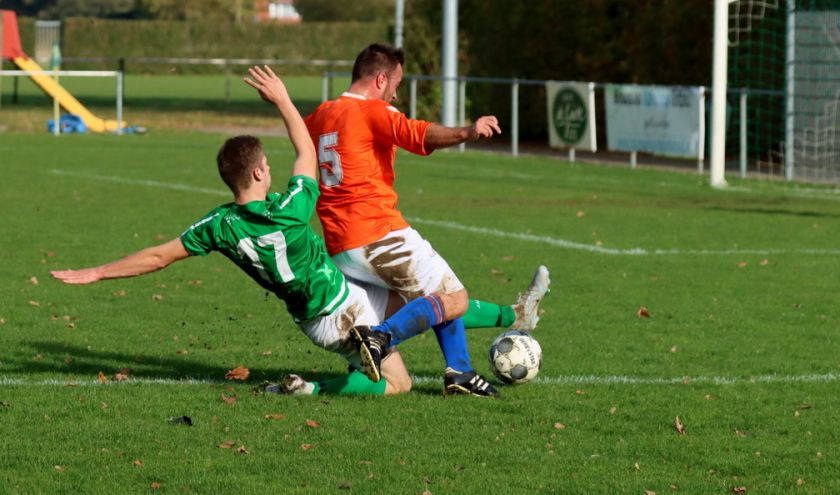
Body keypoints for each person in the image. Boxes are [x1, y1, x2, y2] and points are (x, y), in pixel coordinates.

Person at [50, 66, 413, 397]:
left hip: (316, 317)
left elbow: (159, 256)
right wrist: (282, 99)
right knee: (399, 382)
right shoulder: (291, 208)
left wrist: (98, 271)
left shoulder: (220, 225)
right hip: (342, 311)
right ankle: (313, 389)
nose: (270, 171)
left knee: (419, 295)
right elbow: (306, 148)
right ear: (257, 173)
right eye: (267, 166)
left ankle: (404, 345)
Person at [305, 43, 550, 396]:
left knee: (430, 301)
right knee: (454, 297)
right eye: (395, 85)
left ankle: (475, 358)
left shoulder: (323, 115)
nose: (396, 93)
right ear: (380, 79)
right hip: (377, 233)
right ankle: (380, 338)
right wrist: (467, 131)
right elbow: (420, 134)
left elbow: (301, 138)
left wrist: (283, 104)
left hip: (342, 245)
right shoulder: (372, 111)